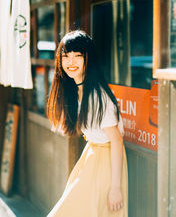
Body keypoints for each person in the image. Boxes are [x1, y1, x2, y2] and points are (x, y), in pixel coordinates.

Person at [46, 30, 128, 217]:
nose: (71, 62)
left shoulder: (98, 97)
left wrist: (115, 187)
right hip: (92, 156)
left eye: (77, 56)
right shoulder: (77, 89)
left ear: (87, 59)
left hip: (106, 162)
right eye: (66, 56)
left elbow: (116, 141)